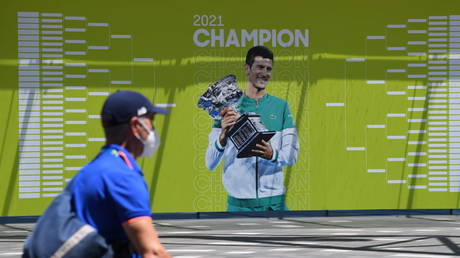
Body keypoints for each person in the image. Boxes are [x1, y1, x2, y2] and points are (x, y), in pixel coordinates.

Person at [70, 90, 171, 257]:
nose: (153, 128)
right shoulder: (122, 177)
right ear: (136, 126)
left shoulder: (92, 170)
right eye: (151, 121)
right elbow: (152, 252)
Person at [206, 46, 300, 212]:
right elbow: (210, 163)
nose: (264, 73)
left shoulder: (281, 106)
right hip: (238, 206)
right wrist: (222, 137)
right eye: (260, 67)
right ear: (247, 68)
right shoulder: (227, 108)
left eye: (268, 69)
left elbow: (292, 155)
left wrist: (273, 155)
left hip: (274, 204)